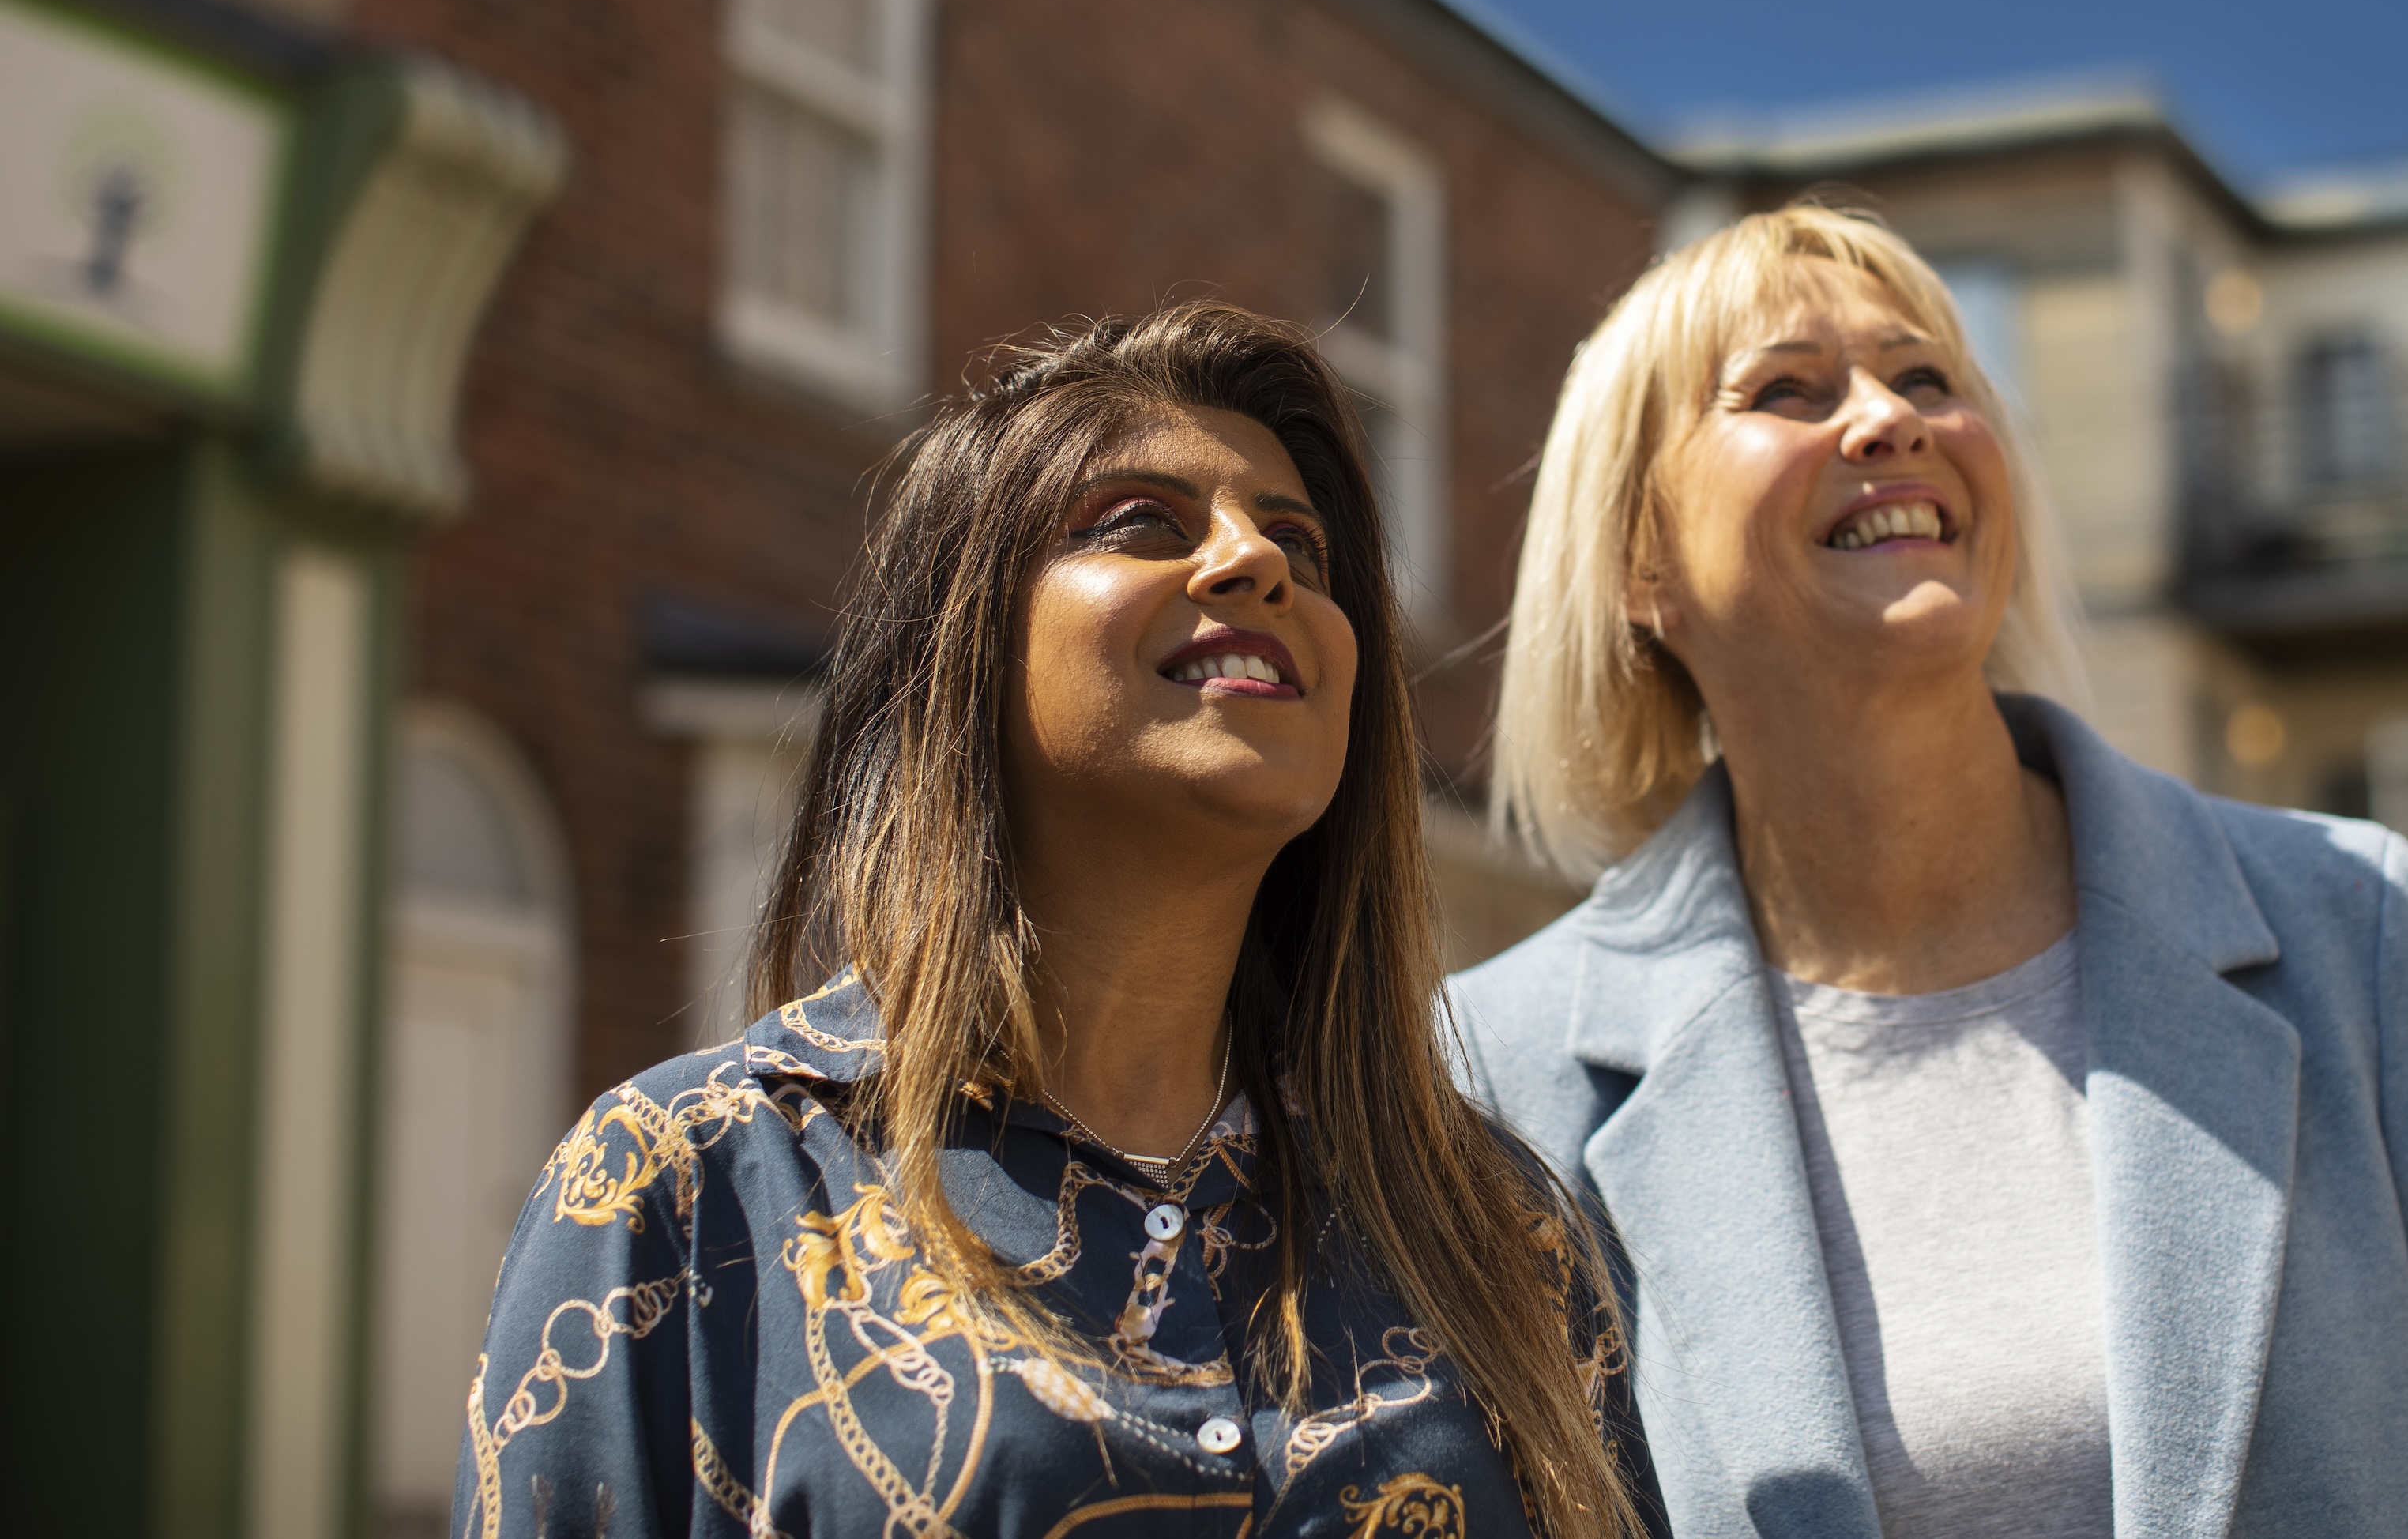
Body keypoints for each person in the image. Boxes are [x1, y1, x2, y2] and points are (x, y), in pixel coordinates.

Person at [1446, 204, 2408, 1538]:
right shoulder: (1499, 1078)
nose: (1888, 419)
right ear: (1642, 563)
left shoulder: (2361, 933)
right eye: (1787, 390)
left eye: (1929, 375)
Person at [455, 306, 1653, 1539]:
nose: (1259, 562)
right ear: (966, 646)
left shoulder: (1497, 1222)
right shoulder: (685, 1182)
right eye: (1143, 521)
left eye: (1298, 537)